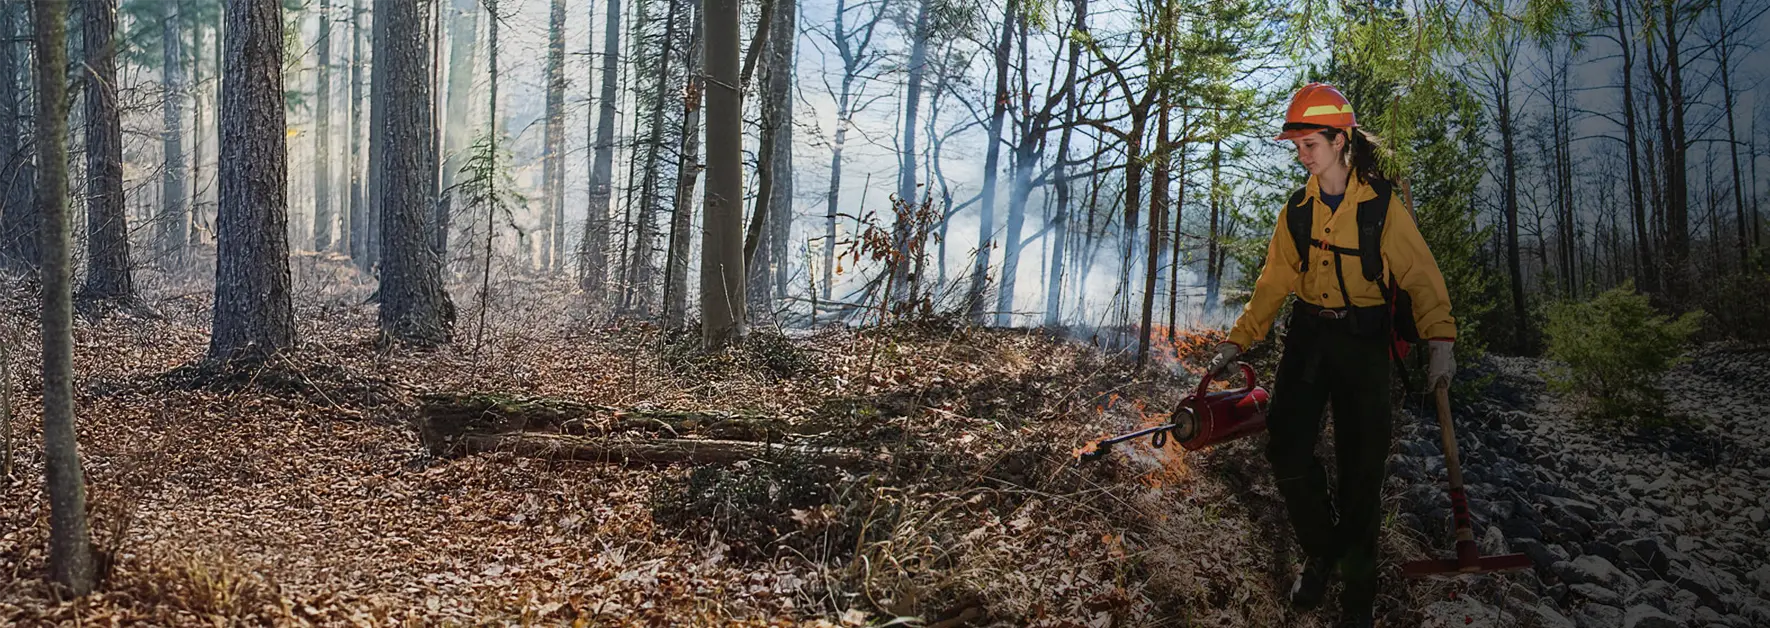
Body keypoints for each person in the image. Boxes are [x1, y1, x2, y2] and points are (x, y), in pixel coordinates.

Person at [1203, 82, 1456, 628]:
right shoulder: (1297, 210)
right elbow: (1273, 282)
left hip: (1365, 342)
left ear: (1341, 140)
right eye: (1295, 143)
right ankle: (1323, 553)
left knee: (1361, 471)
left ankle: (1357, 600)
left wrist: (1441, 342)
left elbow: (1421, 276)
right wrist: (1240, 338)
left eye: (1310, 142)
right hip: (1309, 336)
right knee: (1287, 449)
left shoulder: (1382, 207)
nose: (1301, 152)